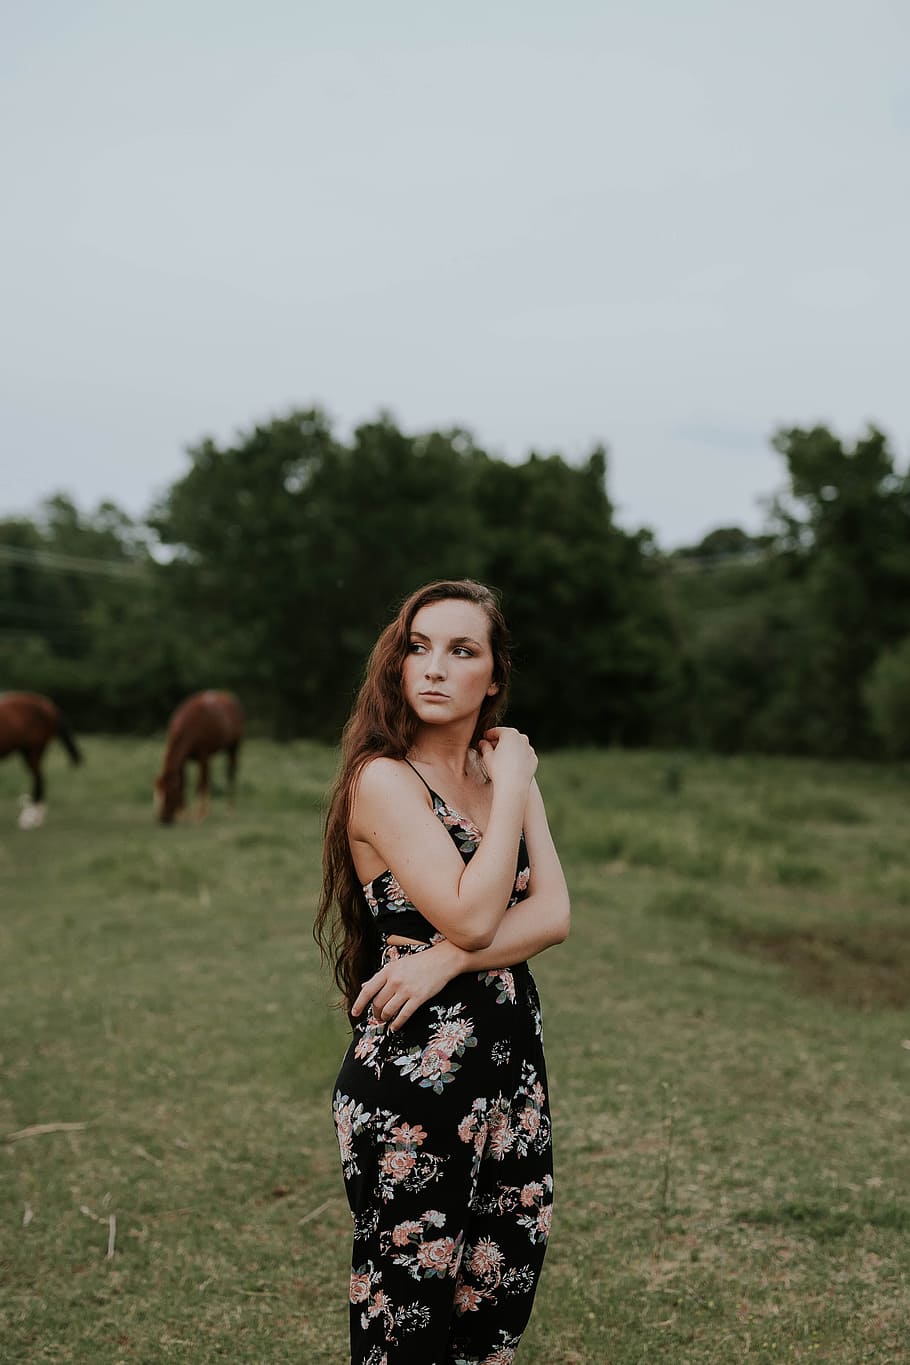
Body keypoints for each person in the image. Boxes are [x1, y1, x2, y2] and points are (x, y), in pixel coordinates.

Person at [316, 579, 570, 1365]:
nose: (432, 666)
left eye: (462, 650)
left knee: (492, 1314)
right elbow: (473, 913)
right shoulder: (384, 780)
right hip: (414, 1083)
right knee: (406, 1322)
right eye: (418, 646)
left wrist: (442, 962)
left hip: (511, 1074)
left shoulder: (498, 774)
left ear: (492, 676)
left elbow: (553, 914)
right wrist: (520, 785)